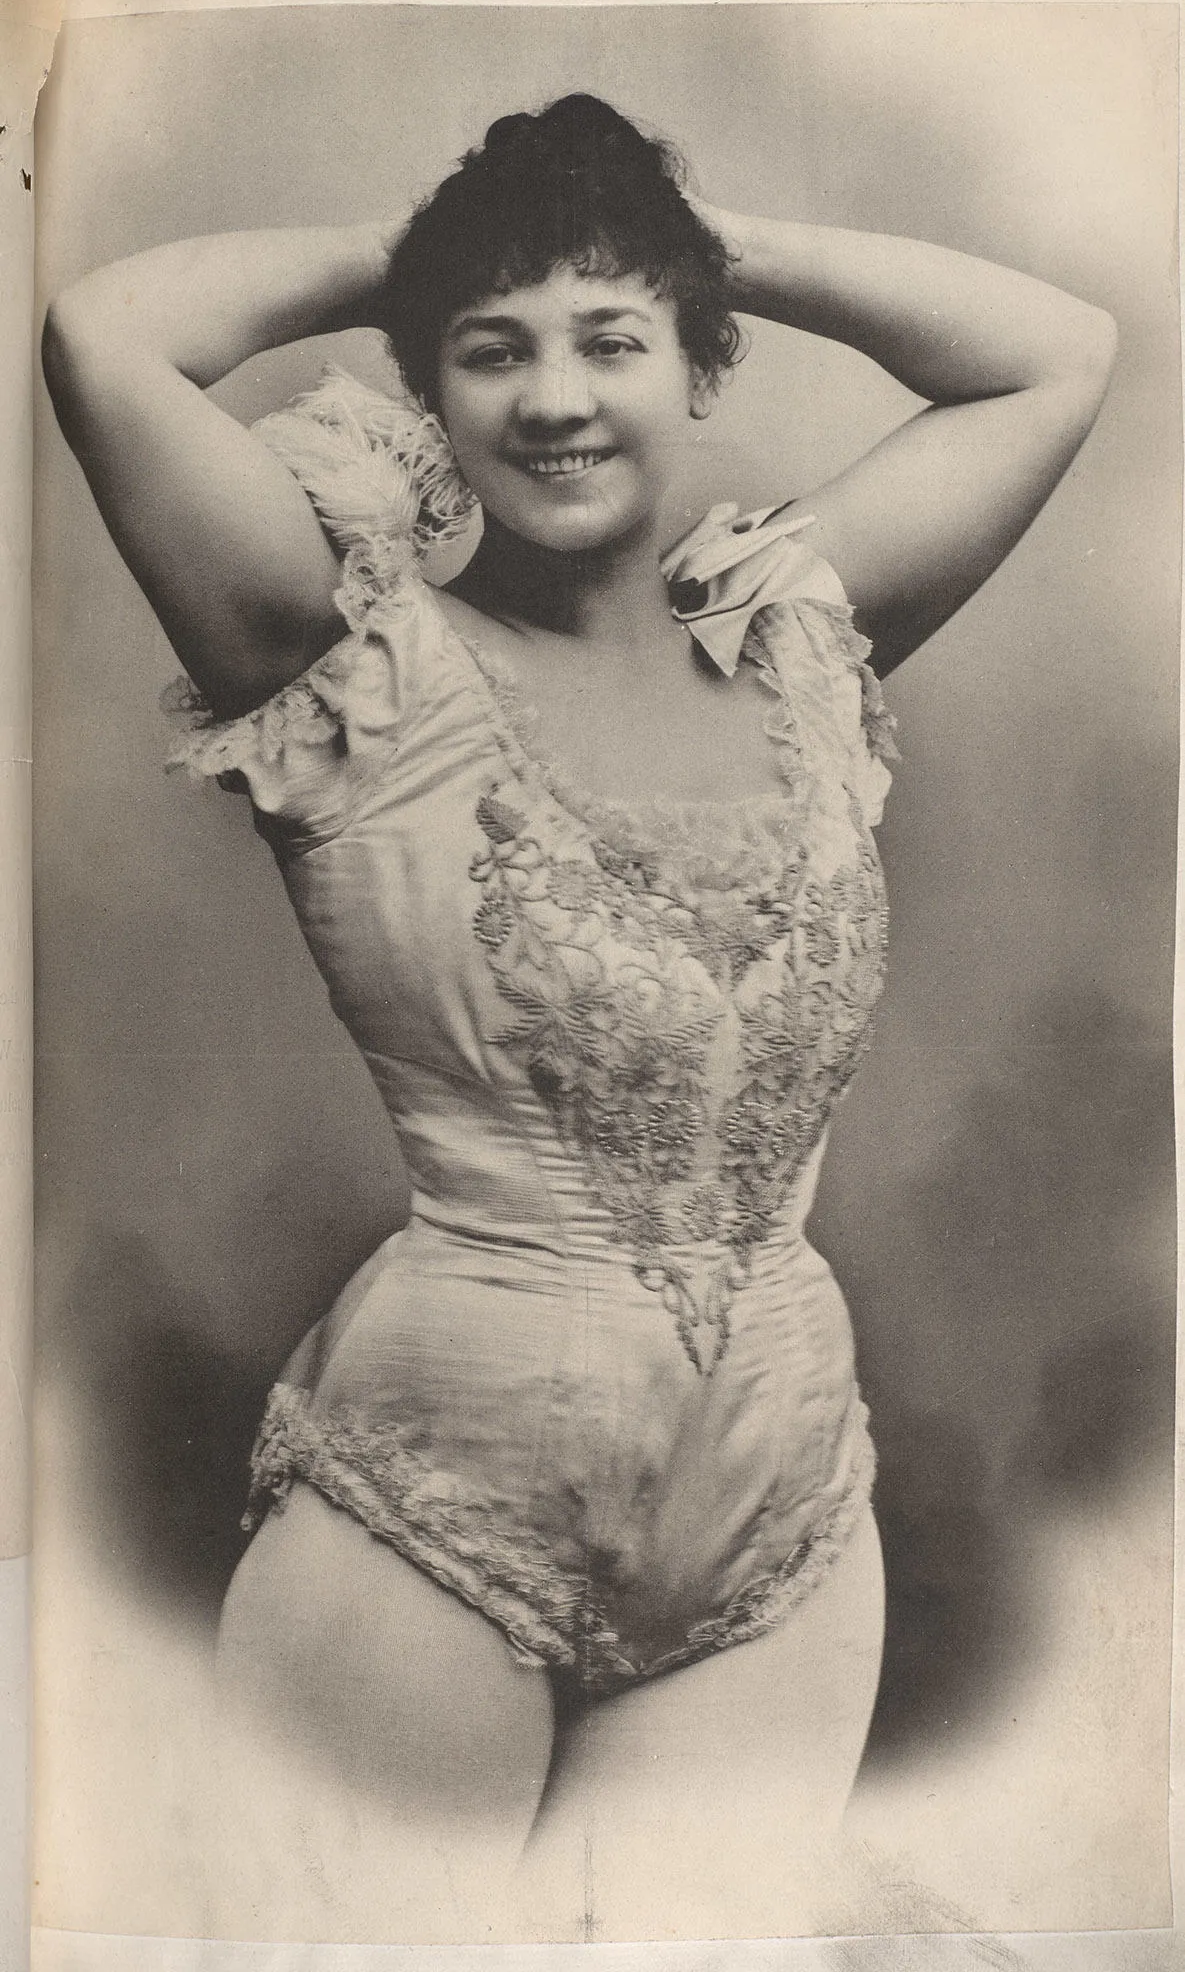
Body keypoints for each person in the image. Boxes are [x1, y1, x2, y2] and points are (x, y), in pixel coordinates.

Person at [42, 93, 1116, 1936]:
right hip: (436, 1512)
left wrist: (698, 243)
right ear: (435, 388)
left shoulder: (798, 639)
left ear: (700, 366)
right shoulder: (345, 657)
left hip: (782, 1522)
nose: (555, 398)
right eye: (493, 347)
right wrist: (445, 243)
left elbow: (1058, 356)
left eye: (614, 339)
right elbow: (98, 335)